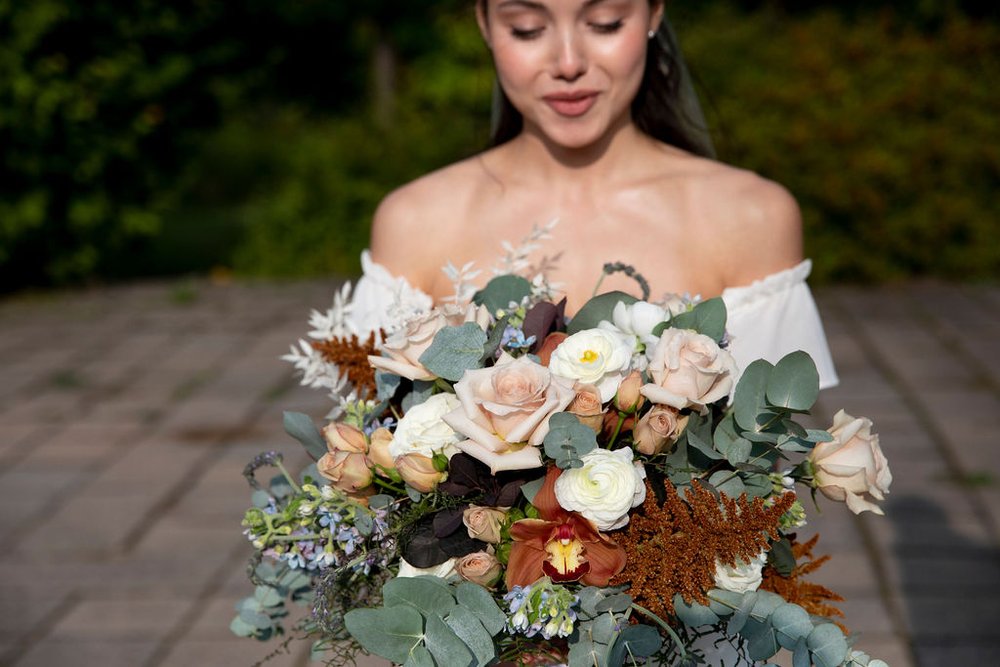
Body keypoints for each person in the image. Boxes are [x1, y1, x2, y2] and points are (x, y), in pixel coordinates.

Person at [360, 0, 838, 388]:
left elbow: (768, 477)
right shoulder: (416, 221)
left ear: (654, 13)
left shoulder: (750, 217)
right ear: (484, 22)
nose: (568, 63)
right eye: (527, 28)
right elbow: (368, 464)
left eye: (605, 23)